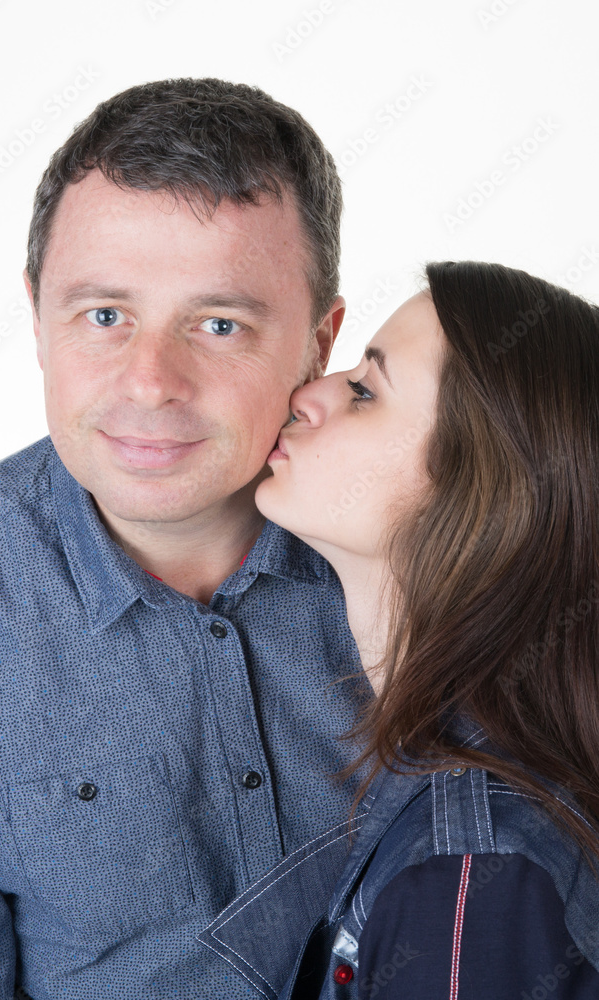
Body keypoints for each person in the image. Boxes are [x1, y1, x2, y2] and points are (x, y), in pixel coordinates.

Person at [0, 78, 374, 999]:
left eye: (218, 324)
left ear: (318, 340)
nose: (150, 382)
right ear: (38, 318)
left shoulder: (428, 552)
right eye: (104, 316)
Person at [200, 261, 599, 998]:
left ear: (474, 490)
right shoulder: (453, 797)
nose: (308, 395)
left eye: (362, 393)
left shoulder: (471, 869)